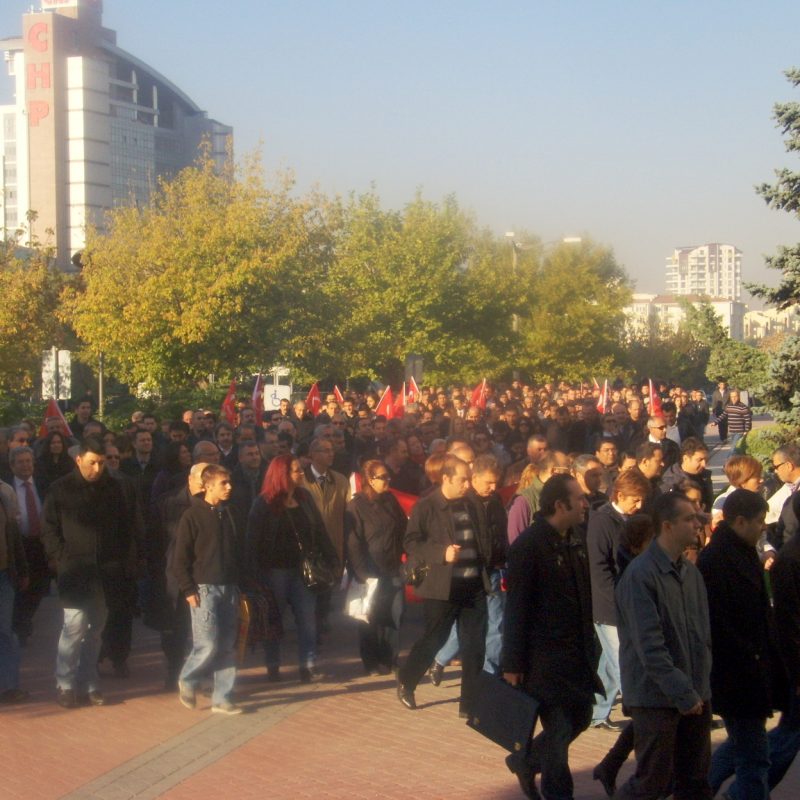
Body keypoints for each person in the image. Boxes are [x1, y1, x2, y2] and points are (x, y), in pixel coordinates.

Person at [613, 491, 713, 800]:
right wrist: (682, 691)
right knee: (653, 782)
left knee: (694, 782)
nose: (697, 524)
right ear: (667, 526)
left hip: (695, 694)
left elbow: (701, 636)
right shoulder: (641, 575)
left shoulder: (690, 573)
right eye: (689, 519)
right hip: (656, 697)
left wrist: (701, 688)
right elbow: (650, 648)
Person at [502, 474, 595, 800]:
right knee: (557, 734)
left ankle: (525, 761)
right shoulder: (529, 546)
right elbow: (515, 608)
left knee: (581, 718)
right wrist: (512, 662)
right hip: (544, 660)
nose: (585, 504)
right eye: (579, 498)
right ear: (560, 505)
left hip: (578, 656)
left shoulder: (577, 538)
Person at [698, 489, 787, 800]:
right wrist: (751, 654)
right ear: (740, 521)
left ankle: (698, 788)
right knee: (753, 758)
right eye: (759, 521)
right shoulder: (716, 559)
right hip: (736, 671)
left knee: (743, 745)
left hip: (751, 669)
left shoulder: (743, 550)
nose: (763, 527)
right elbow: (717, 622)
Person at [397, 455, 492, 718]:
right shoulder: (426, 506)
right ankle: (407, 679)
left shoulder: (472, 503)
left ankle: (470, 704)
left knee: (474, 645)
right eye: (463, 479)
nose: (467, 484)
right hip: (442, 587)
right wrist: (441, 553)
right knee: (434, 639)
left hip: (473, 585)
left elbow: (483, 537)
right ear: (447, 478)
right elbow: (411, 543)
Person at [42, 437, 132, 708]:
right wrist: (60, 558)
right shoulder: (60, 489)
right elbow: (49, 528)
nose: (97, 468)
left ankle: (89, 681)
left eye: (102, 463)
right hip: (75, 571)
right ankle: (65, 683)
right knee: (74, 627)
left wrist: (122, 560)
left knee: (96, 630)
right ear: (79, 459)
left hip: (106, 572)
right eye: (92, 462)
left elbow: (124, 527)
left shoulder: (113, 488)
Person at [247, 454, 339, 683]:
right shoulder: (264, 503)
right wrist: (254, 574)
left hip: (303, 570)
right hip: (274, 571)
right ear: (282, 474)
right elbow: (252, 541)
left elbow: (319, 530)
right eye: (296, 470)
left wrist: (332, 558)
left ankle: (308, 665)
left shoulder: (305, 498)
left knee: (307, 619)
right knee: (274, 619)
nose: (301, 474)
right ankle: (273, 665)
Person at [171, 464, 245, 715]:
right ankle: (188, 679)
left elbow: (237, 551)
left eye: (229, 482)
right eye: (223, 483)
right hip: (204, 588)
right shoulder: (192, 516)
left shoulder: (229, 513)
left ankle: (222, 697)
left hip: (229, 587)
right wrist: (188, 588)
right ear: (208, 486)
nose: (229, 487)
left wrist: (241, 584)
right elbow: (179, 558)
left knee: (227, 645)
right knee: (207, 643)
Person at [593, 513, 656, 796]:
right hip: (641, 654)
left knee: (650, 713)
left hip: (652, 662)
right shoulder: (634, 574)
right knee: (646, 709)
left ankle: (610, 763)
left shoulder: (646, 566)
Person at [587, 468, 652, 732]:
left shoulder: (633, 519)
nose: (639, 505)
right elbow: (600, 568)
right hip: (609, 606)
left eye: (642, 500)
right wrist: (618, 600)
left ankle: (597, 712)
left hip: (630, 600)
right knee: (624, 661)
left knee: (611, 663)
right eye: (634, 500)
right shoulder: (602, 521)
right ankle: (644, 714)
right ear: (619, 494)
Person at [344, 459, 406, 675]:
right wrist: (362, 574)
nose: (387, 481)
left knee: (395, 614)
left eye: (388, 477)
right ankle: (371, 660)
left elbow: (403, 529)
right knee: (371, 617)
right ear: (370, 480)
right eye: (382, 478)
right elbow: (353, 542)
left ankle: (391, 658)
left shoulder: (391, 500)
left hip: (393, 567)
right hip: (369, 571)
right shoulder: (356, 506)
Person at [0, 496, 29, 704]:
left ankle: (10, 686)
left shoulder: (2, 498)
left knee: (5, 632)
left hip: (3, 575)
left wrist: (22, 568)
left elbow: (13, 535)